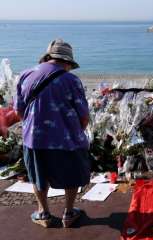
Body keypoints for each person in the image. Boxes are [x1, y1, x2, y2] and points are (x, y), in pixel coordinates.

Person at [14, 39, 90, 228]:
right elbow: (84, 115)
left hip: (34, 138)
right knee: (71, 175)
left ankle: (43, 213)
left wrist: (33, 124)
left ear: (47, 57)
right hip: (66, 138)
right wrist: (78, 131)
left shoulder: (25, 75)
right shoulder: (71, 80)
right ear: (67, 62)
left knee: (38, 175)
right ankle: (69, 213)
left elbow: (18, 111)